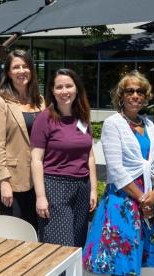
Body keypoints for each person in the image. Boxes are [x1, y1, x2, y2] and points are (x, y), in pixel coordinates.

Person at [83, 71, 154, 275]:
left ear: (145, 97)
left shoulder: (148, 124)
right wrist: (142, 199)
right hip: (124, 199)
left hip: (149, 195)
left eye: (140, 91)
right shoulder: (113, 123)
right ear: (121, 96)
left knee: (140, 256)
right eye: (130, 91)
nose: (135, 95)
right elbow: (116, 170)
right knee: (121, 259)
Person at [30, 68, 97, 246]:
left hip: (82, 187)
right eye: (59, 87)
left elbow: (89, 155)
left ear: (77, 89)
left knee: (77, 245)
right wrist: (41, 197)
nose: (64, 91)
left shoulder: (82, 117)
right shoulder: (44, 118)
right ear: (52, 90)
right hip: (55, 187)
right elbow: (36, 159)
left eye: (69, 86)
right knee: (60, 246)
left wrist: (93, 189)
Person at [0, 49, 44, 230]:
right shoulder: (0, 102)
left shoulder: (41, 101)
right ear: (8, 72)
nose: (21, 71)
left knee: (37, 231)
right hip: (13, 180)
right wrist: (3, 181)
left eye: (25, 66)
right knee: (17, 233)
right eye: (16, 67)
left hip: (40, 179)